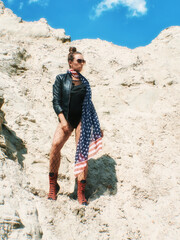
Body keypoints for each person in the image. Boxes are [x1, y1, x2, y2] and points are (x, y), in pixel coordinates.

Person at [48, 47, 103, 205]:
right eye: (79, 60)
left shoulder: (85, 82)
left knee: (82, 153)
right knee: (55, 146)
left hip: (82, 121)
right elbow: (56, 100)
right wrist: (63, 120)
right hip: (66, 119)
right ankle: (53, 186)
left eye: (83, 61)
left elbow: (89, 106)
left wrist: (96, 126)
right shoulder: (61, 79)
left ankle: (80, 192)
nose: (82, 63)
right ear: (70, 62)